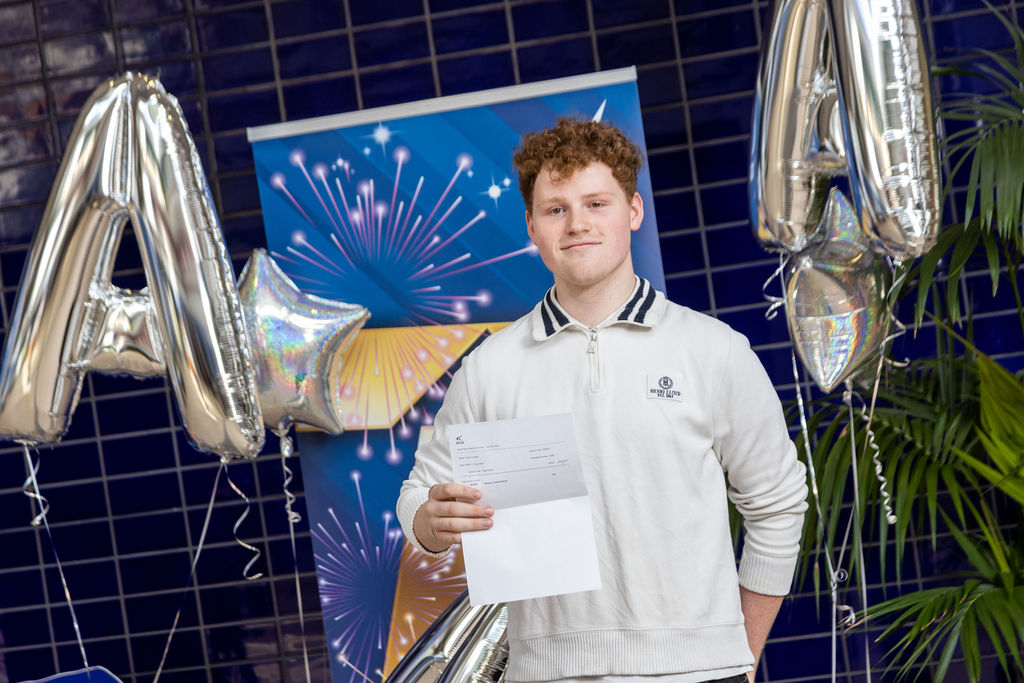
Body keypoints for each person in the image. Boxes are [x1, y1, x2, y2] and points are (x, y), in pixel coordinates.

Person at [397, 117, 808, 683]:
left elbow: (779, 505)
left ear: (632, 211)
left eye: (596, 203)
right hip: (546, 674)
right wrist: (430, 520)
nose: (577, 225)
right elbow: (419, 495)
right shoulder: (491, 368)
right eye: (556, 209)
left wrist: (739, 654)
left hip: (699, 672)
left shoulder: (714, 351)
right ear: (532, 227)